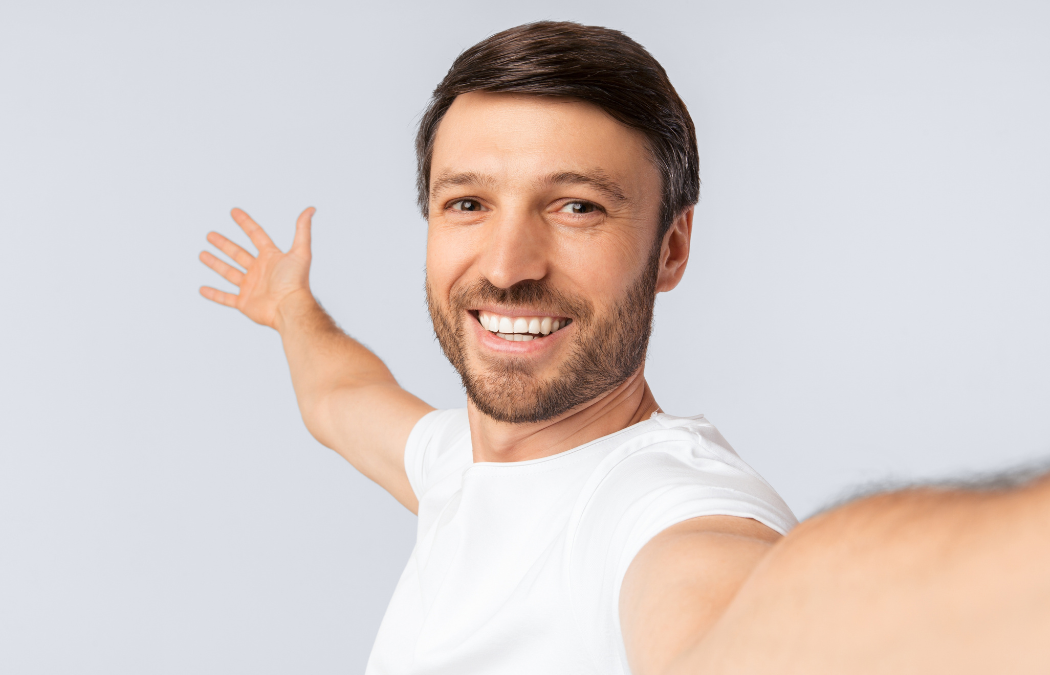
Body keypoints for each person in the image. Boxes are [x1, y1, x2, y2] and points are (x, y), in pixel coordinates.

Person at [199, 21, 1049, 675]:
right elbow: (339, 398)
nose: (506, 265)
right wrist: (291, 310)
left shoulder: (658, 509)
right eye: (468, 203)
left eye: (576, 207)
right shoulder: (455, 462)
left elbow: (742, 624)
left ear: (671, 249)